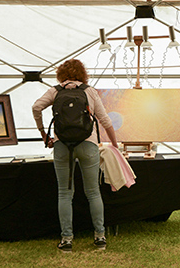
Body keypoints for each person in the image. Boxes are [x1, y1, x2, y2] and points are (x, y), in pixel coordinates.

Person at [32, 59, 118, 253]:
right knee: (93, 192)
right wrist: (114, 145)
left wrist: (43, 134)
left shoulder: (55, 91)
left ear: (61, 74)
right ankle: (100, 237)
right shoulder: (89, 91)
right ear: (82, 73)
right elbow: (104, 120)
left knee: (64, 193)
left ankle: (67, 240)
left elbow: (36, 107)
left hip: (62, 145)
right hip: (88, 144)